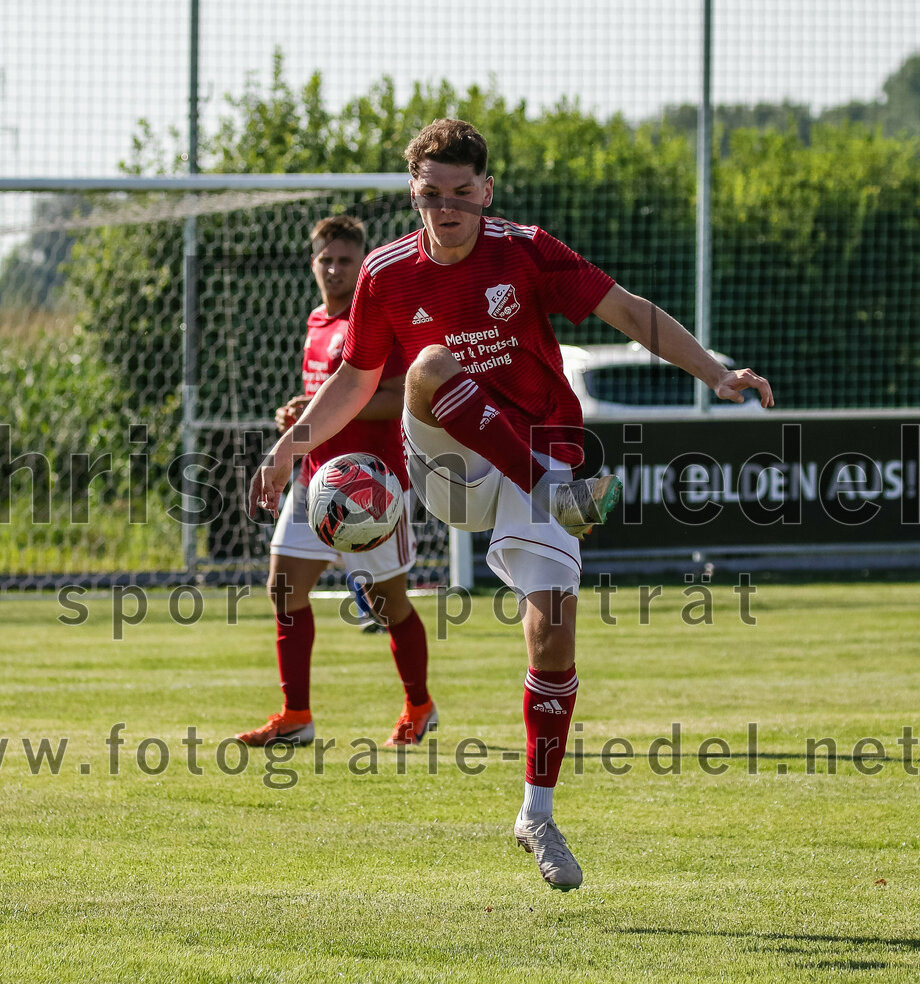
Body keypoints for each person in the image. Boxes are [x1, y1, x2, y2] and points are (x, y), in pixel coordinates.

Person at [250, 120, 774, 890]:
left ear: (485, 192)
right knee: (429, 363)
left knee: (553, 629)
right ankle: (548, 486)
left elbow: (629, 311)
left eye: (463, 193)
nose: (448, 207)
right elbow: (359, 381)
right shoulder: (386, 273)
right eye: (433, 194)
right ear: (414, 194)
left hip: (544, 444)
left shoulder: (525, 249)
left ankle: (537, 813)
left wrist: (713, 372)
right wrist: (292, 443)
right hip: (451, 460)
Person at [237, 215, 436, 748]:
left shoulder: (377, 318)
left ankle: (419, 706)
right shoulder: (316, 321)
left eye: (346, 260)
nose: (335, 268)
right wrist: (296, 418)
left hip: (370, 489)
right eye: (326, 258)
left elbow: (399, 398)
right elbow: (323, 397)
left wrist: (327, 412)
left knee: (387, 603)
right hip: (313, 484)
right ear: (313, 263)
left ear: (361, 263)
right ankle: (296, 714)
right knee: (283, 589)